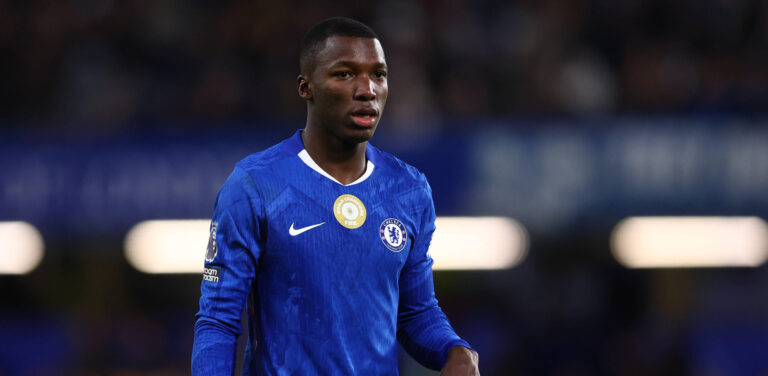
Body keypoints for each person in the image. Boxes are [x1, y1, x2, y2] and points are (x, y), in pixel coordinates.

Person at [192, 17, 480, 375]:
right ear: (305, 87)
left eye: (378, 74)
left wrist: (455, 350)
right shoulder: (254, 186)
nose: (367, 89)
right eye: (345, 74)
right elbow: (219, 321)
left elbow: (415, 312)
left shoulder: (409, 190)